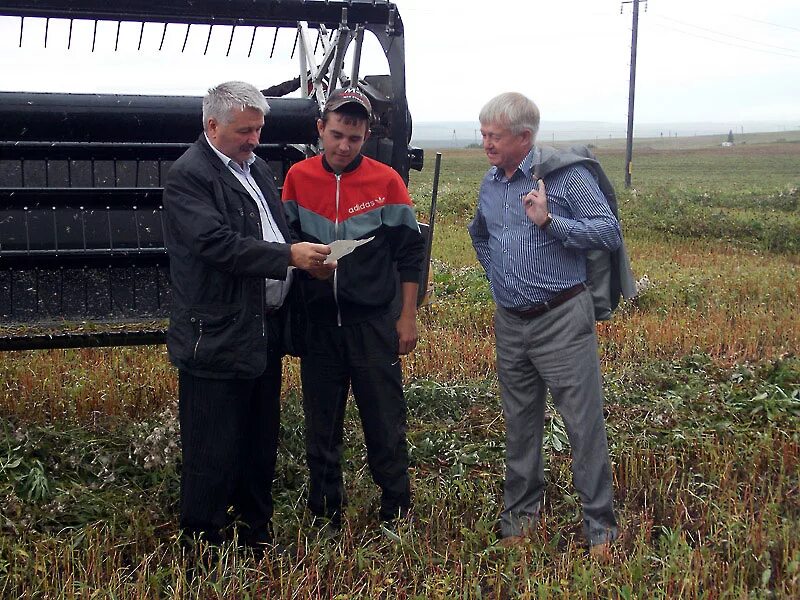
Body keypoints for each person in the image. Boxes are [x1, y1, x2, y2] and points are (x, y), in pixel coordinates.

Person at [162, 81, 335, 550]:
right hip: (215, 334)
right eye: (245, 131)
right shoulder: (189, 175)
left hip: (260, 331)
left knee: (260, 445)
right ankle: (203, 545)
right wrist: (289, 257)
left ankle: (254, 534)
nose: (255, 140)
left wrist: (311, 259)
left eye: (259, 129)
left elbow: (277, 228)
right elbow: (216, 244)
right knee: (211, 450)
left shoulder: (253, 169)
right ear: (212, 125)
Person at [468, 92, 620, 559]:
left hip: (562, 319)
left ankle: (600, 530)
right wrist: (499, 276)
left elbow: (607, 230)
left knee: (583, 426)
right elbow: (480, 232)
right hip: (511, 324)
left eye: (494, 136)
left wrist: (551, 221)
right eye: (484, 134)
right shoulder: (491, 183)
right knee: (520, 424)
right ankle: (519, 516)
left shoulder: (565, 177)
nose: (486, 143)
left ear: (524, 137)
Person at [281, 87, 424, 528]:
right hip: (320, 325)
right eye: (337, 134)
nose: (345, 146)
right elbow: (284, 244)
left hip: (372, 323)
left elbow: (410, 255)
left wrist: (407, 316)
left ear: (367, 136)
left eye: (355, 138)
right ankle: (325, 513)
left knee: (384, 420)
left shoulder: (386, 182)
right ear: (320, 129)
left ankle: (395, 510)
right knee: (321, 424)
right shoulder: (297, 179)